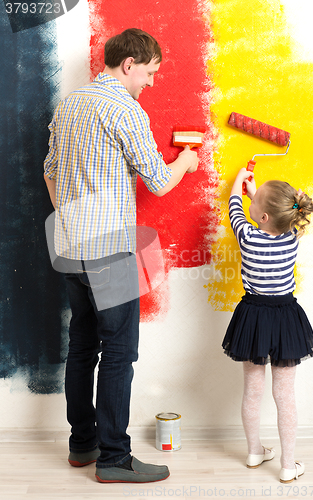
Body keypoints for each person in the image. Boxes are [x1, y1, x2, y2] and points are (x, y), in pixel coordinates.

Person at [43, 28, 198, 484]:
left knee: (83, 348)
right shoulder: (126, 111)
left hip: (70, 245)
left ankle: (82, 445)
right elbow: (158, 181)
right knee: (118, 353)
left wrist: (72, 221)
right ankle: (113, 458)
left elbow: (49, 173)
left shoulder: (69, 103)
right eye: (149, 73)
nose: (150, 83)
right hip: (109, 250)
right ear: (128, 64)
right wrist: (187, 162)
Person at [222, 167, 313, 483]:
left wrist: (240, 180)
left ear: (262, 217)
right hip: (286, 317)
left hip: (252, 316)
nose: (251, 203)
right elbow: (281, 213)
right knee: (284, 394)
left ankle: (253, 451)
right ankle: (288, 466)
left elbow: (235, 205)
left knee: (252, 391)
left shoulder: (246, 235)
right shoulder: (293, 235)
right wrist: (261, 197)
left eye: (256, 202)